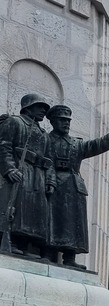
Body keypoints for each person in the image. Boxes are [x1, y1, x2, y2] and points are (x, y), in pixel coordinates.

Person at [43, 104, 109, 267]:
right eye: (62, 120)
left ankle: (70, 257)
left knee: (73, 223)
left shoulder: (76, 144)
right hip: (53, 184)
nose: (66, 123)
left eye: (68, 121)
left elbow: (97, 145)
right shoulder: (45, 139)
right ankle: (46, 252)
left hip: (73, 187)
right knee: (50, 219)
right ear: (53, 121)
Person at [0, 93, 54, 259]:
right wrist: (9, 169)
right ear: (28, 107)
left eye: (44, 108)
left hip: (38, 175)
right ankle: (12, 242)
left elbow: (49, 160)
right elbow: (4, 146)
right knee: (17, 207)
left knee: (33, 211)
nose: (43, 111)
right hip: (20, 169)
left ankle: (25, 245)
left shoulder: (44, 134)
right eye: (40, 107)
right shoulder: (14, 122)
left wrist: (49, 180)